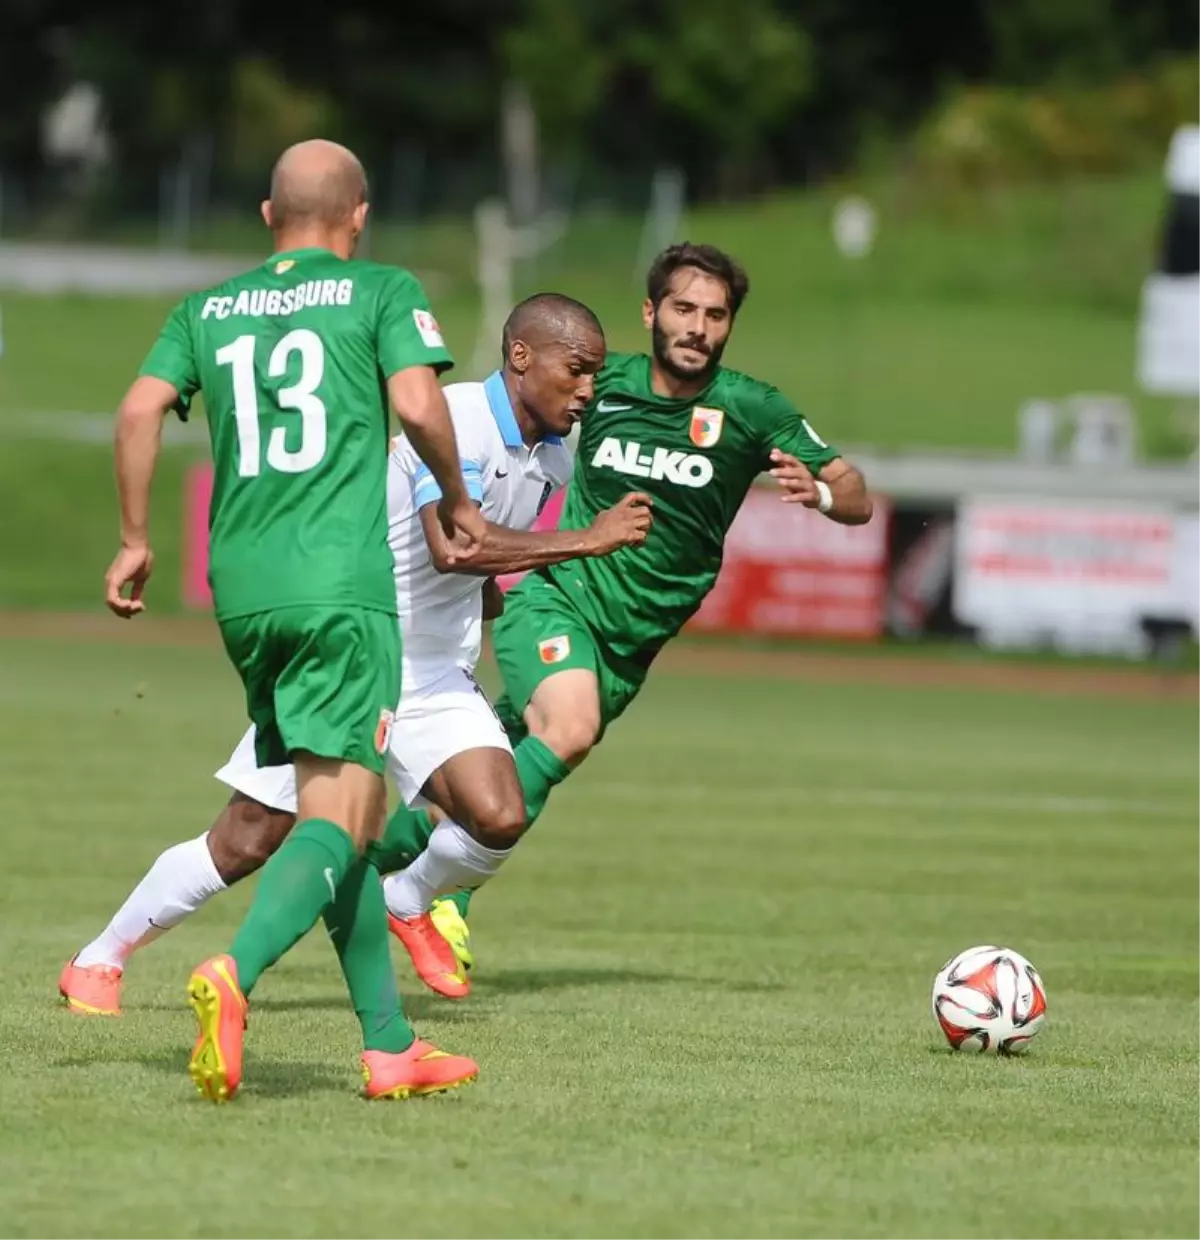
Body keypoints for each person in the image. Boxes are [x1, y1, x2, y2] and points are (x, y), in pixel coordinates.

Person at [63, 293, 653, 1013]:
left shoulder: (552, 457)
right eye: (578, 368)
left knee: (497, 811)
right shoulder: (458, 419)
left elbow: (472, 571)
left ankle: (406, 899)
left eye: (596, 372)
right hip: (353, 652)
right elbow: (455, 546)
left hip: (434, 670)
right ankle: (100, 958)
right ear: (522, 357)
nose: (589, 387)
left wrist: (496, 613)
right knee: (248, 839)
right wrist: (589, 539)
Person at [97, 138, 485, 1103]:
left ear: (269, 217)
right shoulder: (380, 291)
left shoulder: (206, 308)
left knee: (335, 816)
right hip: (341, 589)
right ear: (359, 216)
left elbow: (140, 408)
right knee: (341, 813)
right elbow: (417, 400)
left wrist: (136, 539)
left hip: (243, 590)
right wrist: (453, 491)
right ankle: (235, 973)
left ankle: (391, 1046)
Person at [383, 241, 874, 993]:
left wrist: (824, 495)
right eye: (683, 308)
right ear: (651, 313)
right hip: (558, 595)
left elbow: (857, 493)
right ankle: (432, 898)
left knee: (508, 759)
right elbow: (513, 407)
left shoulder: (752, 407)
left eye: (716, 315)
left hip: (632, 643)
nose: (698, 327)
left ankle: (370, 866)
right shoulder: (595, 382)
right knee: (567, 729)